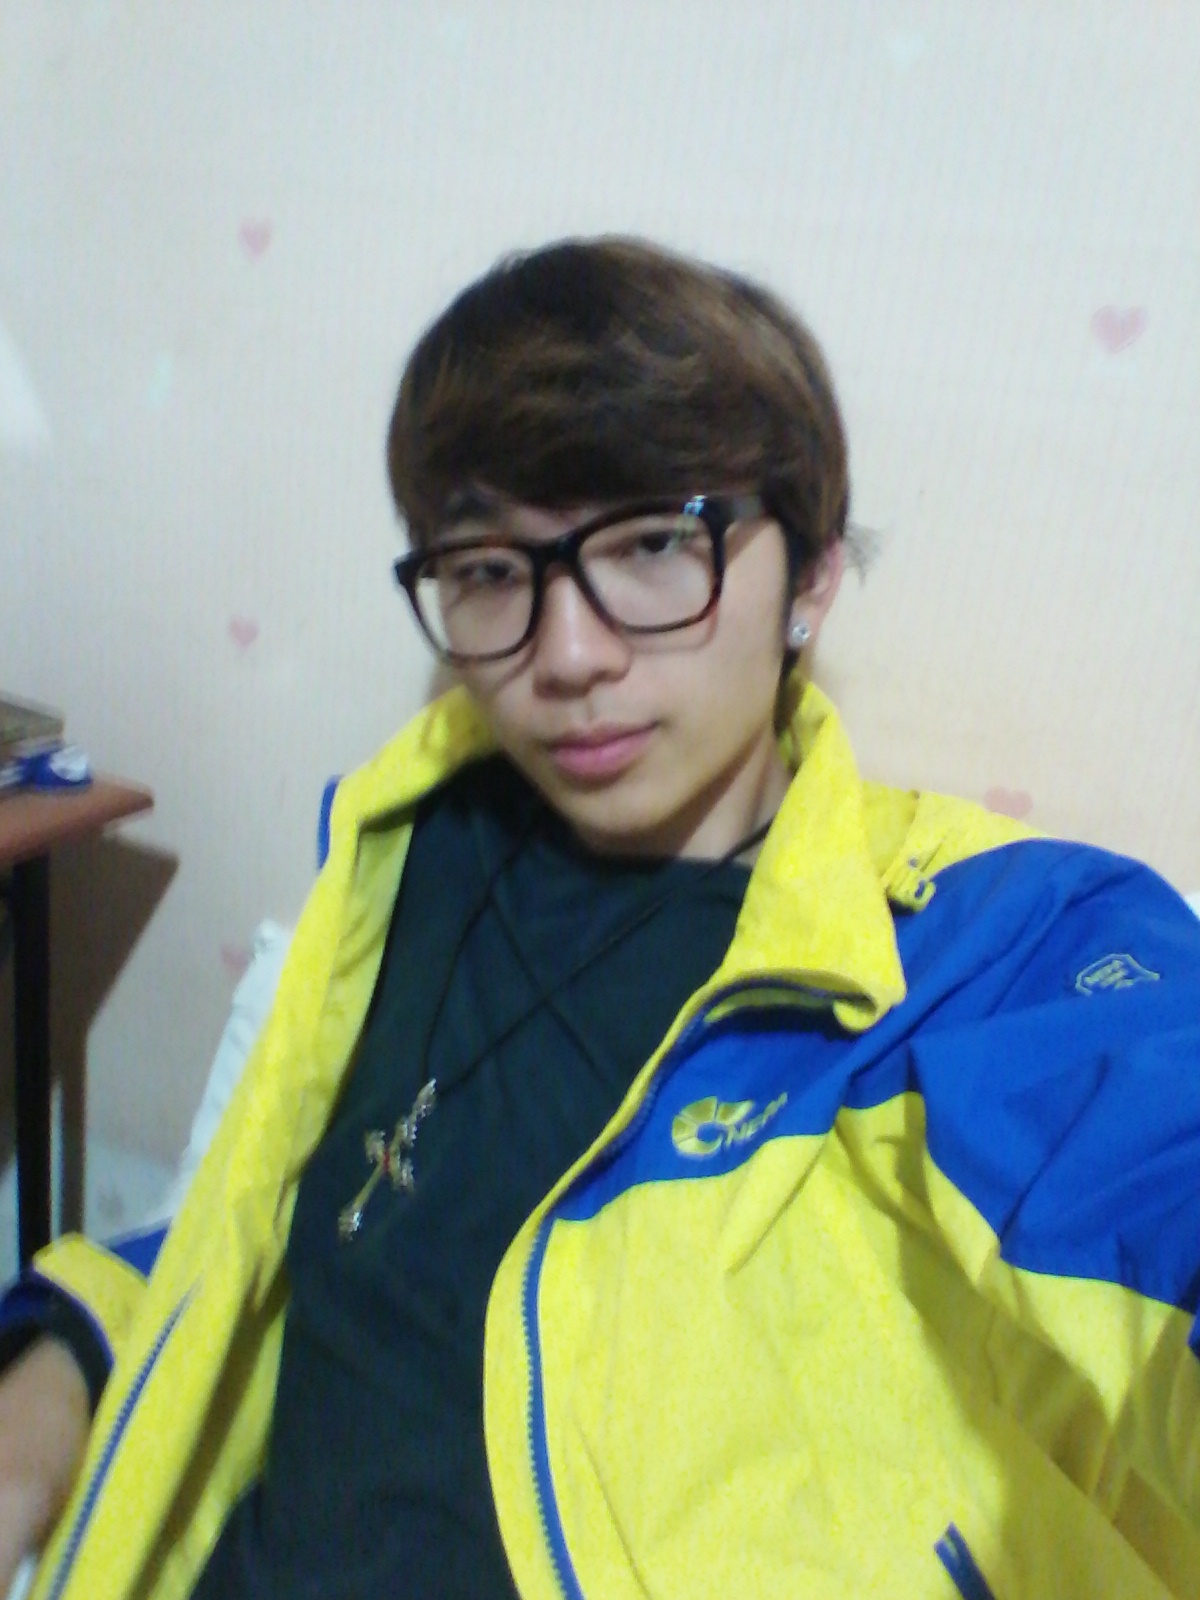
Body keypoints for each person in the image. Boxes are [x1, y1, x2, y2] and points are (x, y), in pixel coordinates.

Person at [0, 237, 1199, 1600]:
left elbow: (1150, 1158)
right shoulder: (413, 857)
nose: (568, 656)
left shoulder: (977, 945)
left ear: (811, 577)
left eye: (652, 545)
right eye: (490, 570)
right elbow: (278, 1228)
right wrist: (53, 1375)